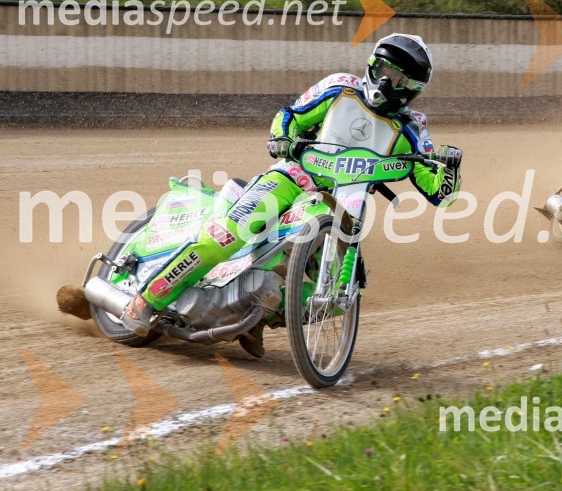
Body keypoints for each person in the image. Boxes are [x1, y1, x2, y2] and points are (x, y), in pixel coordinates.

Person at [120, 33, 463, 355]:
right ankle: (147, 298)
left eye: (401, 80)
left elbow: (437, 190)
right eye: (386, 72)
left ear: (414, 89)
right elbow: (289, 116)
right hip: (293, 178)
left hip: (344, 202)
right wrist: (282, 137)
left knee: (326, 285)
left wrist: (449, 168)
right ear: (374, 65)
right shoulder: (340, 88)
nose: (389, 83)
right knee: (229, 234)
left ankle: (250, 319)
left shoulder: (414, 125)